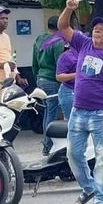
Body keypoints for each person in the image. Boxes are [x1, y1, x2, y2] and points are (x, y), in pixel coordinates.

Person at [58, 0, 103, 204]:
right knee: (73, 154)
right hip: (78, 111)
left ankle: (100, 198)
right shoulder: (83, 43)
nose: (97, 31)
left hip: (102, 114)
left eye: (102, 29)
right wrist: (69, 9)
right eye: (95, 28)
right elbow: (63, 27)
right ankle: (88, 187)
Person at [32, 16, 64, 155]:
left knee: (47, 112)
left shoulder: (39, 39)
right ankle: (48, 144)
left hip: (41, 78)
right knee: (52, 112)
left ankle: (46, 143)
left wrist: (36, 77)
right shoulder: (58, 42)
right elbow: (60, 64)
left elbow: (34, 61)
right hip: (52, 79)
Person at [0, 6, 27, 85]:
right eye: (2, 18)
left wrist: (18, 78)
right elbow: (6, 63)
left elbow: (10, 60)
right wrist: (4, 65)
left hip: (8, 81)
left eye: (6, 18)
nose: (5, 21)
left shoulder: (6, 37)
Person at [55, 42, 78, 124]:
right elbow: (59, 77)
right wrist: (76, 75)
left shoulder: (87, 55)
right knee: (71, 122)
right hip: (69, 91)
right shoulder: (66, 56)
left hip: (84, 91)